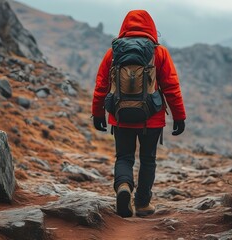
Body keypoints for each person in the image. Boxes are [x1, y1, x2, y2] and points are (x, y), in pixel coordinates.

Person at [92, 10, 186, 218]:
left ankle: (124, 185)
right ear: (151, 27)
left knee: (124, 157)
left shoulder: (113, 52)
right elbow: (171, 87)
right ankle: (143, 204)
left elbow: (101, 85)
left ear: (124, 26)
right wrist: (179, 116)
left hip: (120, 115)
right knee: (148, 159)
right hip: (151, 118)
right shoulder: (159, 53)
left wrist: (97, 113)